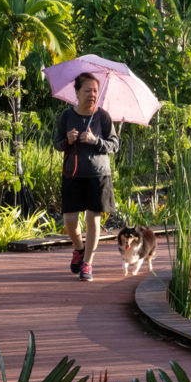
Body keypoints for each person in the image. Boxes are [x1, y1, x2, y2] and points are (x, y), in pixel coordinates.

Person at [53, 72, 119, 281]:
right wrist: (68, 140)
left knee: (93, 218)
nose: (92, 95)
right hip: (72, 173)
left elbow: (114, 145)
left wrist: (95, 140)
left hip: (98, 175)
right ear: (77, 93)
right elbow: (56, 144)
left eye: (95, 91)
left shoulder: (103, 117)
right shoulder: (66, 116)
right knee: (70, 220)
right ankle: (79, 249)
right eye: (87, 90)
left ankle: (88, 263)